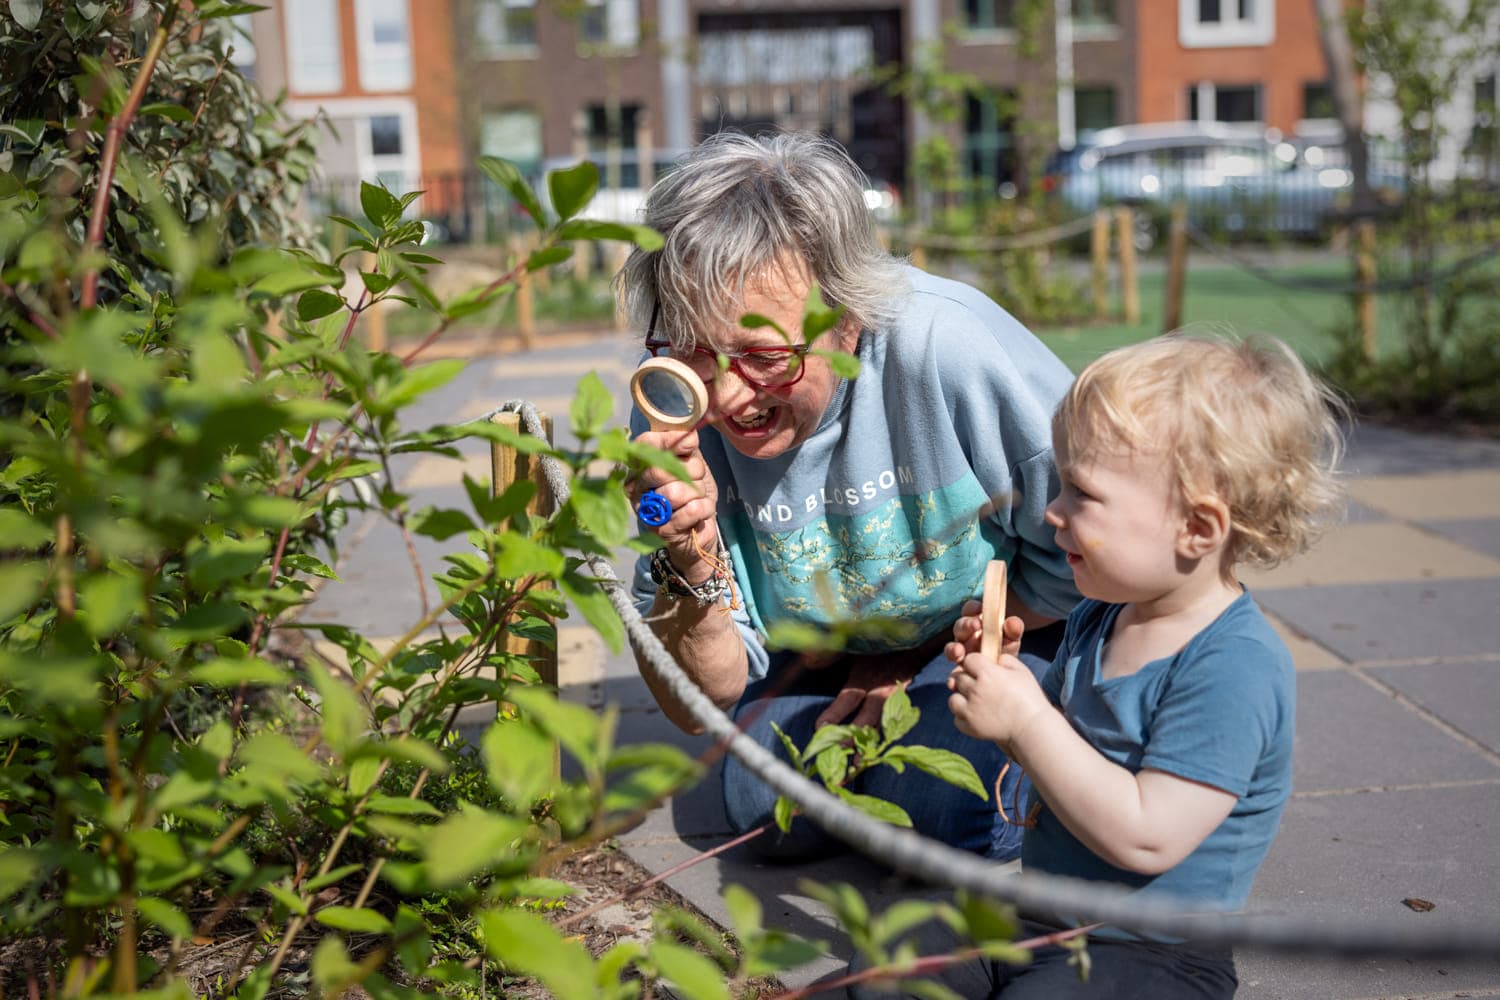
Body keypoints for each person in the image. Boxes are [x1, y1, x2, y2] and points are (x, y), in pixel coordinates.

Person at [618, 129, 1080, 862]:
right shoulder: (673, 402)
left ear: (849, 317)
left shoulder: (945, 348)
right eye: (695, 348)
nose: (727, 397)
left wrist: (914, 656)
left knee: (952, 806)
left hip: (1020, 621)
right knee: (759, 806)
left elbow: (1095, 545)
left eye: (767, 356)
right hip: (831, 652)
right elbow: (693, 702)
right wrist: (689, 557)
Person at [925, 332, 1346, 998]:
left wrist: (1029, 720)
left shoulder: (1234, 667)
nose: (1052, 511)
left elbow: (1148, 837)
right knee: (894, 959)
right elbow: (1072, 751)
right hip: (1040, 914)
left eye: (1082, 495)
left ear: (1198, 530)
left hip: (1153, 956)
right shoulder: (1102, 612)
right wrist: (1004, 688)